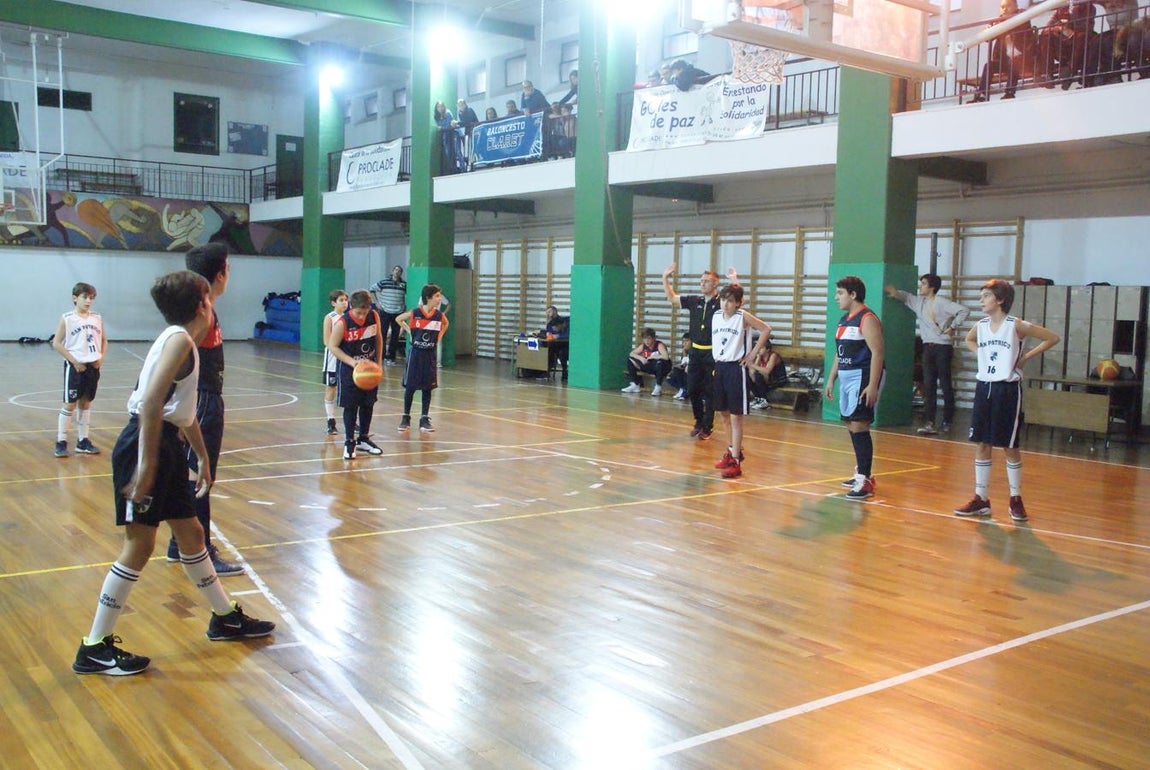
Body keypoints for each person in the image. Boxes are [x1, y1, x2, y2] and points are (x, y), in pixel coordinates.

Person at [71, 271, 275, 677]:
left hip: (164, 444)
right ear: (203, 303)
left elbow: (177, 410)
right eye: (210, 294)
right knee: (139, 546)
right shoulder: (180, 340)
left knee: (192, 534)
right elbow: (149, 404)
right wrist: (147, 467)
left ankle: (224, 618)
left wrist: (200, 454)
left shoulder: (181, 340)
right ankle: (94, 646)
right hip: (146, 446)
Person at [164, 243, 242, 576]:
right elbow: (180, 354)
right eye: (228, 268)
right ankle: (199, 550)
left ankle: (178, 544)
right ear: (220, 272)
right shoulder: (201, 313)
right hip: (204, 399)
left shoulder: (203, 308)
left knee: (194, 474)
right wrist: (181, 408)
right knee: (201, 476)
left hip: (203, 399)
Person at [954, 279, 1060, 523]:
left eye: (986, 296)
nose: (981, 300)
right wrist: (980, 353)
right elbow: (969, 340)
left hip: (1007, 389)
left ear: (1000, 300)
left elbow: (1052, 337)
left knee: (1009, 446)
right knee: (981, 443)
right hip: (984, 388)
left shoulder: (1016, 325)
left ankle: (1015, 497)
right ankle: (981, 498)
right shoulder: (980, 326)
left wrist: (1026, 357)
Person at [886, 274, 971, 434]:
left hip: (943, 347)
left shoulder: (941, 302)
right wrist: (895, 293)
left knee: (946, 385)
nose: (921, 286)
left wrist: (953, 326)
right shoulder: (920, 302)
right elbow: (906, 297)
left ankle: (947, 421)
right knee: (929, 385)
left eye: (924, 284)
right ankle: (930, 422)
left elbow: (964, 310)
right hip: (928, 347)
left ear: (932, 287)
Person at [825, 276, 885, 501]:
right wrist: (831, 379)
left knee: (860, 424)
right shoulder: (843, 320)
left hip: (863, 375)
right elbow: (839, 354)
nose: (836, 297)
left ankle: (865, 480)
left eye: (839, 293)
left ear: (853, 294)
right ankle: (861, 470)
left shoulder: (867, 318)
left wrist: (872, 385)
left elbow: (878, 352)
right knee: (851, 423)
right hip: (847, 376)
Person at [663, 263, 739, 441]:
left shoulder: (721, 302)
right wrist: (665, 278)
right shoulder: (694, 301)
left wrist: (735, 280)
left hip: (712, 354)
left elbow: (738, 299)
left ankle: (707, 426)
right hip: (695, 353)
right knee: (692, 389)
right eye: (701, 281)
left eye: (707, 281)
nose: (703, 284)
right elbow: (672, 298)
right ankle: (698, 421)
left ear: (715, 284)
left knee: (710, 391)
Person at [711, 285, 772, 479]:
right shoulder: (716, 316)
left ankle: (736, 461)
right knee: (724, 414)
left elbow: (765, 329)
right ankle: (731, 451)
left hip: (735, 369)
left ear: (738, 303)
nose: (725, 304)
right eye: (723, 299)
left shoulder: (742, 317)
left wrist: (752, 354)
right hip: (719, 366)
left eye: (730, 300)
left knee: (736, 417)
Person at [326, 290, 385, 460]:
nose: (361, 316)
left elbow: (379, 339)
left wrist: (379, 362)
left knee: (368, 404)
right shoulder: (343, 323)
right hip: (349, 370)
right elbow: (333, 347)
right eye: (359, 312)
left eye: (364, 312)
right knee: (351, 406)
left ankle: (363, 439)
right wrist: (352, 362)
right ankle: (349, 442)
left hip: (369, 368)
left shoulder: (374, 316)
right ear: (351, 307)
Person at [52, 281, 106, 458]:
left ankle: (83, 441)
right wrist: (74, 361)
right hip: (75, 366)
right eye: (85, 297)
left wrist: (100, 358)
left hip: (92, 366)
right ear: (75, 298)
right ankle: (61, 441)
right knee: (70, 403)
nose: (88, 301)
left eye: (91, 298)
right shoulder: (68, 318)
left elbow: (104, 340)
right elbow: (57, 343)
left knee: (86, 402)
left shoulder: (96, 317)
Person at [397, 284, 449, 433]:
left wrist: (439, 336)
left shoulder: (439, 316)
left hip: (429, 354)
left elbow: (446, 324)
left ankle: (424, 418)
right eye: (437, 296)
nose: (439, 299)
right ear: (428, 298)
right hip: (416, 354)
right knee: (411, 386)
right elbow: (399, 319)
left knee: (428, 386)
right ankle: (406, 417)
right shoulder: (415, 313)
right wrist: (409, 331)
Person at [971, 0, 1032, 102]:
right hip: (1004, 60)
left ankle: (1009, 92)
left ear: (1016, 6)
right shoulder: (999, 20)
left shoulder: (1022, 16)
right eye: (1002, 6)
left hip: (1022, 59)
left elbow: (1022, 27)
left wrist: (999, 27)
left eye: (1008, 6)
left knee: (1013, 62)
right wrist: (987, 30)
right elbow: (986, 38)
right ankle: (981, 94)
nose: (1004, 9)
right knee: (988, 65)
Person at [322, 289, 349, 435]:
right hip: (333, 358)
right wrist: (337, 350)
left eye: (346, 300)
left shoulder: (349, 318)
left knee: (349, 389)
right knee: (331, 388)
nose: (345, 302)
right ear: (333, 303)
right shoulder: (330, 317)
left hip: (346, 357)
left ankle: (351, 420)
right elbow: (327, 341)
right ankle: (330, 420)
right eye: (341, 300)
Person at [372, 265, 407, 365]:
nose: (397, 272)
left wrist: (404, 307)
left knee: (395, 336)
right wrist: (377, 303)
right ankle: (381, 356)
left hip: (398, 312)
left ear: (401, 273)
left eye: (399, 271)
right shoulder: (383, 282)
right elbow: (372, 289)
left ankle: (391, 357)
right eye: (395, 270)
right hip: (385, 311)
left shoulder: (404, 284)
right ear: (392, 271)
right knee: (382, 334)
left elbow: (407, 295)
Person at [622, 328, 672, 396]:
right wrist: (641, 358)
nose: (647, 341)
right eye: (645, 338)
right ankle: (635, 384)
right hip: (650, 366)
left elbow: (666, 357)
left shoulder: (659, 345)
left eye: (649, 338)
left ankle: (658, 386)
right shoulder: (643, 346)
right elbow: (632, 353)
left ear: (653, 338)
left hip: (662, 367)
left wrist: (654, 357)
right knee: (630, 360)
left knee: (660, 363)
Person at [748, 336, 787, 410]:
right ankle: (758, 398)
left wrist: (752, 365)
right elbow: (752, 372)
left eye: (761, 348)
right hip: (768, 378)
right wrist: (758, 358)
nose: (759, 350)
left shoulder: (773, 355)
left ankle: (764, 400)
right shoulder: (760, 356)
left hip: (778, 379)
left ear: (767, 349)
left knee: (758, 376)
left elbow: (767, 371)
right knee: (748, 377)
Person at [538, 305, 569, 379]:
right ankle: (546, 372)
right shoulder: (550, 323)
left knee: (562, 353)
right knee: (548, 351)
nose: (548, 314)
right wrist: (547, 334)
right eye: (547, 313)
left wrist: (558, 336)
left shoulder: (565, 321)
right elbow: (549, 333)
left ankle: (565, 372)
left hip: (565, 345)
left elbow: (568, 335)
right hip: (554, 345)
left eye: (550, 312)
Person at [667, 333, 691, 399]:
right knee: (669, 377)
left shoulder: (695, 352)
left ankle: (685, 390)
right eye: (683, 341)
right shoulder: (686, 351)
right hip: (686, 371)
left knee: (678, 371)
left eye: (687, 341)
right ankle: (683, 389)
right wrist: (684, 355)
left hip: (693, 373)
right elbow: (683, 364)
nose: (684, 343)